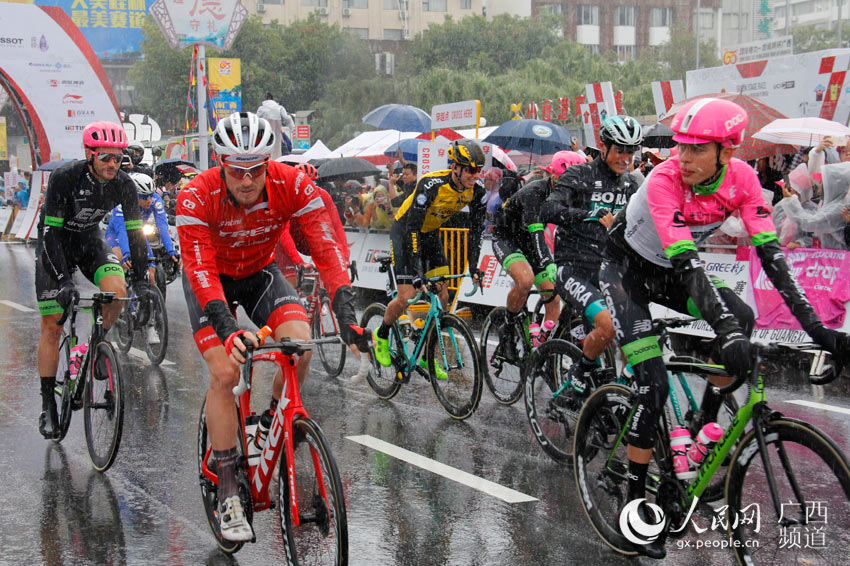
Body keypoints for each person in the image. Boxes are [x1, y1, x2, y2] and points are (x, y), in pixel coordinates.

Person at [600, 98, 850, 558]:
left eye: (697, 150)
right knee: (652, 386)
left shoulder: (743, 180)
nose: (684, 158)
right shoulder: (663, 179)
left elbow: (774, 259)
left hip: (674, 273)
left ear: (727, 152)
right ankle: (635, 509)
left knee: (745, 320)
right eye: (681, 147)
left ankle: (702, 426)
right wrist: (727, 333)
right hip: (627, 274)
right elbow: (688, 263)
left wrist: (820, 333)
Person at [176, 111, 366, 542]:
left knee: (300, 347)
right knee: (226, 372)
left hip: (261, 273)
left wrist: (347, 314)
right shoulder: (195, 195)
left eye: (256, 170)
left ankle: (268, 424)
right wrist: (227, 329)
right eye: (237, 172)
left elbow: (325, 245)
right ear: (221, 165)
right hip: (212, 281)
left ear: (268, 164)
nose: (247, 181)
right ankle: (227, 489)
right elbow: (200, 269)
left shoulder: (291, 183)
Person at [35, 121, 150, 440]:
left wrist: (141, 280)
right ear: (89, 154)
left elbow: (135, 234)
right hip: (55, 244)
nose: (113, 163)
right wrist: (63, 280)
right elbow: (50, 233)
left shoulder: (124, 184)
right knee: (52, 325)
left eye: (118, 157)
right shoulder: (65, 178)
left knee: (117, 291)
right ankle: (47, 403)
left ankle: (97, 344)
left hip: (88, 242)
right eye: (106, 157)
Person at [542, 117, 643, 397]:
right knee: (608, 325)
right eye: (620, 150)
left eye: (631, 151)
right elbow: (547, 211)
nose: (626, 158)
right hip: (573, 268)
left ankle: (619, 393)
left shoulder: (631, 186)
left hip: (609, 270)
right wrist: (589, 215)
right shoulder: (579, 176)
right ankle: (577, 379)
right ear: (603, 145)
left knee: (635, 333)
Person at [372, 138, 487, 366]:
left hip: (430, 232)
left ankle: (428, 351)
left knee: (443, 295)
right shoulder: (431, 184)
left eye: (479, 170)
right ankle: (382, 335)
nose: (475, 175)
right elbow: (413, 227)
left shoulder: (476, 192)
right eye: (471, 170)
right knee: (407, 296)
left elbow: (475, 232)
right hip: (405, 231)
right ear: (455, 167)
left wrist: (473, 267)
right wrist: (416, 272)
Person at [492, 153, 586, 358]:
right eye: (562, 179)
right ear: (552, 175)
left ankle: (544, 351)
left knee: (553, 298)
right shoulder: (534, 192)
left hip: (532, 242)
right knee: (525, 280)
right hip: (508, 238)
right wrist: (548, 263)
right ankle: (507, 331)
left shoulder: (575, 195)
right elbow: (536, 234)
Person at [105, 172, 180, 293]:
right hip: (116, 235)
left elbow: (162, 227)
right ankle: (122, 296)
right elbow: (122, 231)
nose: (149, 200)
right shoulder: (122, 202)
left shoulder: (155, 199)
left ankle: (148, 301)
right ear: (134, 194)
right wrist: (126, 254)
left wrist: (171, 250)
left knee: (151, 268)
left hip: (138, 232)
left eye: (151, 195)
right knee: (122, 264)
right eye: (145, 197)